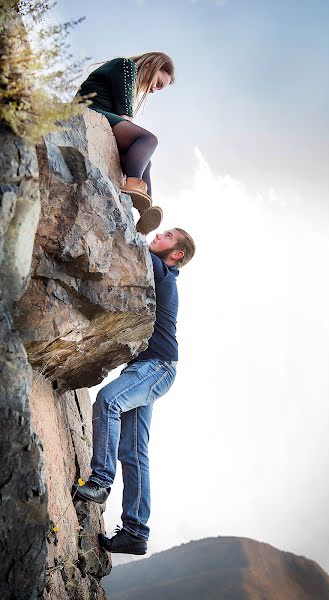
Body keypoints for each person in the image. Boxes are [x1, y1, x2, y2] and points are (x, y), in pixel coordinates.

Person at [74, 228, 196, 555]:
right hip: (151, 370)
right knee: (134, 450)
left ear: (177, 254)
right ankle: (135, 531)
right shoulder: (163, 272)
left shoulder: (165, 271)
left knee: (109, 400)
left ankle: (100, 482)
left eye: (168, 236)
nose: (159, 234)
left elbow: (131, 241)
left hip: (156, 368)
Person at [77, 52, 175, 235]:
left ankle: (146, 211)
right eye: (158, 83)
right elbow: (125, 114)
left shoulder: (128, 74)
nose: (154, 90)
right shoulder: (126, 67)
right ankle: (133, 184)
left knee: (146, 161)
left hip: (102, 119)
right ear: (150, 66)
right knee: (148, 140)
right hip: (89, 112)